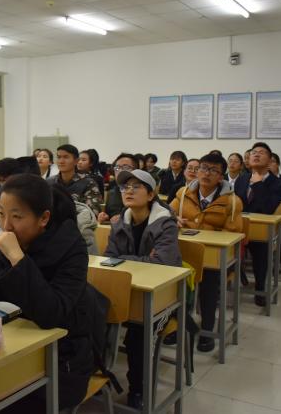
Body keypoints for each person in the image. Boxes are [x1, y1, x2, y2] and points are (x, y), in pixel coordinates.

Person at [0, 173, 99, 410]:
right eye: (2, 214)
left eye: (16, 216)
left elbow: (52, 313)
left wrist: (18, 258)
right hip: (11, 349)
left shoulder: (71, 249)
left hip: (61, 361)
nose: (6, 225)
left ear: (44, 218)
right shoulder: (5, 242)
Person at [103, 169, 181, 409]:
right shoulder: (120, 222)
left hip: (162, 299)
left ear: (150, 195)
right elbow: (108, 258)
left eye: (136, 187)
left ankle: (139, 388)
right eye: (125, 187)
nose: (128, 191)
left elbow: (163, 263)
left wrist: (125, 259)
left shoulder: (165, 224)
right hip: (128, 292)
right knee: (93, 315)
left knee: (139, 334)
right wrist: (143, 259)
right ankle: (98, 377)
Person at [169, 153, 243, 352]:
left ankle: (207, 330)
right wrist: (173, 219)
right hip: (185, 253)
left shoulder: (232, 201)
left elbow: (233, 233)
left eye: (213, 170)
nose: (206, 173)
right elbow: (167, 214)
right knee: (173, 283)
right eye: (203, 168)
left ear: (221, 176)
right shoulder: (183, 193)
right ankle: (179, 326)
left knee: (209, 283)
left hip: (213, 258)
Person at [234, 142, 281, 306]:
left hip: (261, 231)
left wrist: (258, 184)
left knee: (261, 252)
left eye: (261, 152)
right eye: (253, 152)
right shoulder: (242, 179)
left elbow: (268, 208)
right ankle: (231, 282)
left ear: (270, 160)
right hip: (240, 228)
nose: (256, 154)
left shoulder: (278, 184)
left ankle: (260, 288)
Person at [47, 144, 102, 216]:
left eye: (66, 157)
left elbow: (92, 212)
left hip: (79, 222)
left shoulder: (88, 183)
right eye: (59, 157)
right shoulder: (49, 182)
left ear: (76, 161)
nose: (61, 161)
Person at [97, 153, 136, 224]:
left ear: (136, 171)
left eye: (126, 167)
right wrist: (104, 217)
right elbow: (110, 216)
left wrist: (125, 217)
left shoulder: (142, 190)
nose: (120, 171)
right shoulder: (111, 192)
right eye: (117, 168)